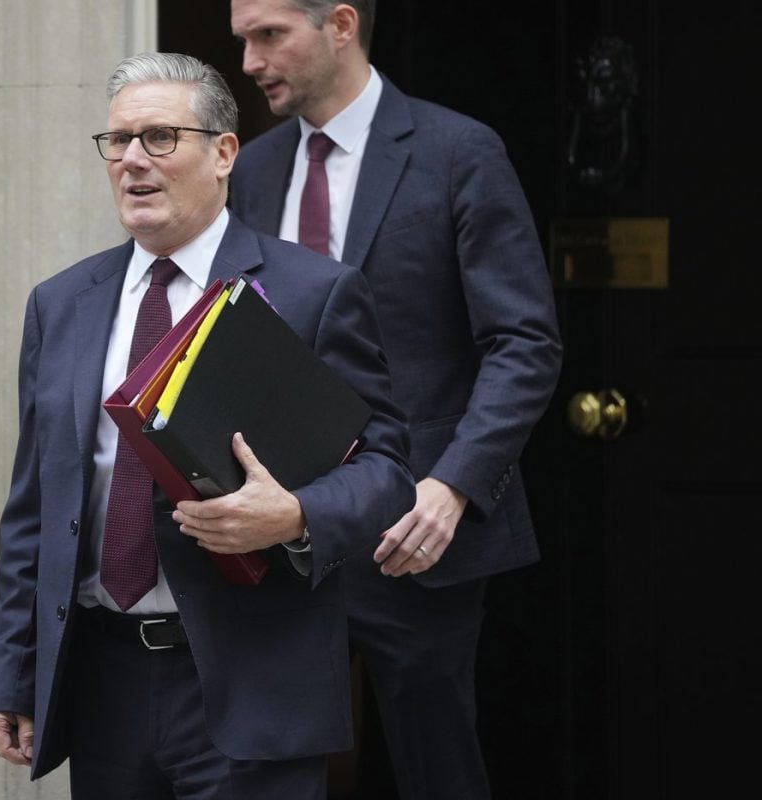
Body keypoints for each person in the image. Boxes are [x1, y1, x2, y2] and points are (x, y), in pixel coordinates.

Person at [0, 51, 415, 799]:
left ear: (223, 153)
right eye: (118, 140)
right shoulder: (61, 303)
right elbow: (35, 507)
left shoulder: (313, 293)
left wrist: (295, 515)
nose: (132, 160)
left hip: (252, 681)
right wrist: (13, 672)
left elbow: (387, 470)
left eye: (159, 138)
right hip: (102, 681)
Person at [228, 2, 564, 798]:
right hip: (280, 534)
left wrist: (454, 486)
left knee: (434, 771)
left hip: (415, 534)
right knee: (264, 774)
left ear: (341, 25)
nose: (249, 62)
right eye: (242, 39)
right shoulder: (251, 170)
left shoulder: (458, 152)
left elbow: (524, 342)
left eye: (269, 34)